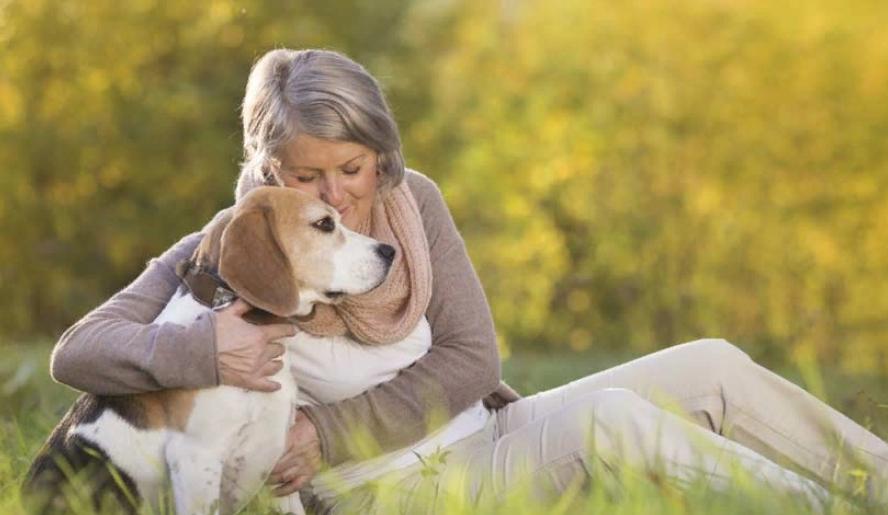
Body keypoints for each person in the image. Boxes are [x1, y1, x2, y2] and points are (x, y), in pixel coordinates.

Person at [50, 48, 888, 513]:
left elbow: (472, 357)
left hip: (487, 428)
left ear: (382, 153)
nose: (340, 194)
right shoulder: (232, 252)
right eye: (309, 176)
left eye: (355, 166)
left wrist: (326, 430)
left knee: (708, 361)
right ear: (270, 167)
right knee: (612, 420)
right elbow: (79, 352)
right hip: (394, 490)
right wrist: (203, 349)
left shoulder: (414, 204)